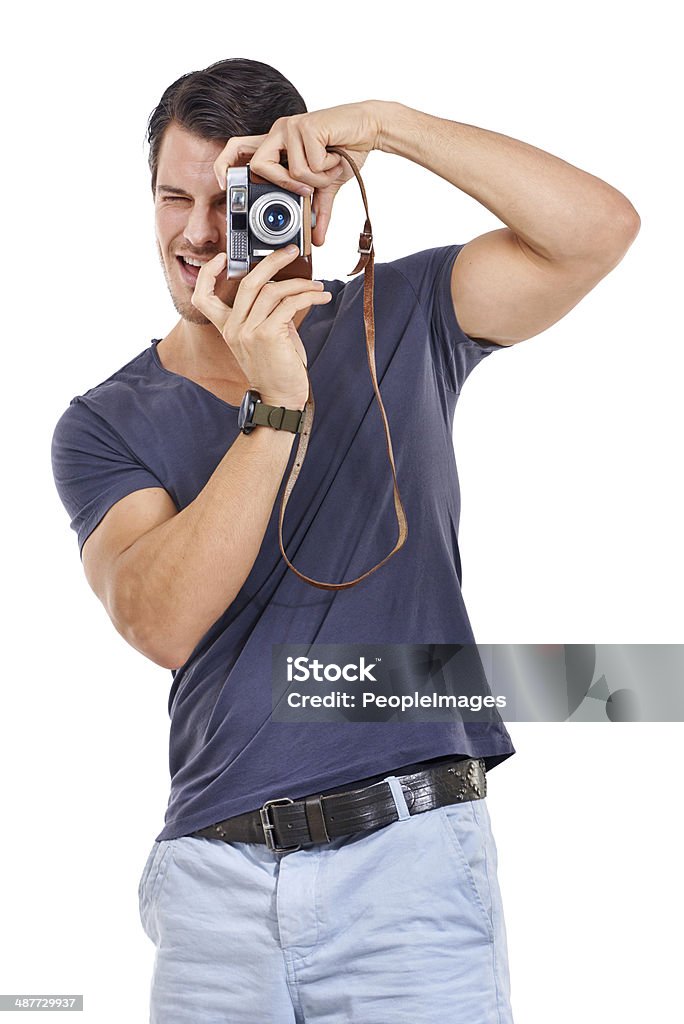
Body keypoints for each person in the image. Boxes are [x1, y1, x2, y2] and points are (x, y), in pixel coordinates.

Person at [51, 58, 639, 1023]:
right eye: (173, 198)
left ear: (310, 214)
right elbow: (158, 621)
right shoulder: (104, 422)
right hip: (216, 886)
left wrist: (389, 126)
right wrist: (276, 404)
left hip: (408, 872)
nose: (199, 234)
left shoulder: (399, 314)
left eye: (238, 200)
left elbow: (598, 232)